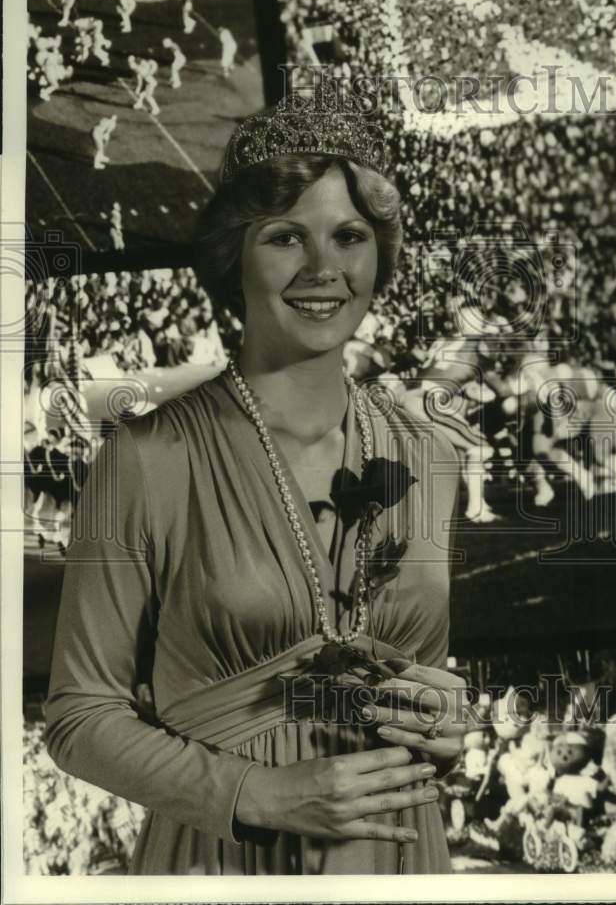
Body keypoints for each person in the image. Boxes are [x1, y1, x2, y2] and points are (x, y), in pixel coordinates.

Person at [45, 81, 468, 875]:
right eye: (285, 237)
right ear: (232, 255)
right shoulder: (147, 458)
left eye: (349, 236)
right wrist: (254, 794)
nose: (323, 268)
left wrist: (442, 728)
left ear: (380, 256)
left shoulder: (431, 455)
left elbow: (426, 680)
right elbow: (78, 715)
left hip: (398, 855)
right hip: (224, 855)